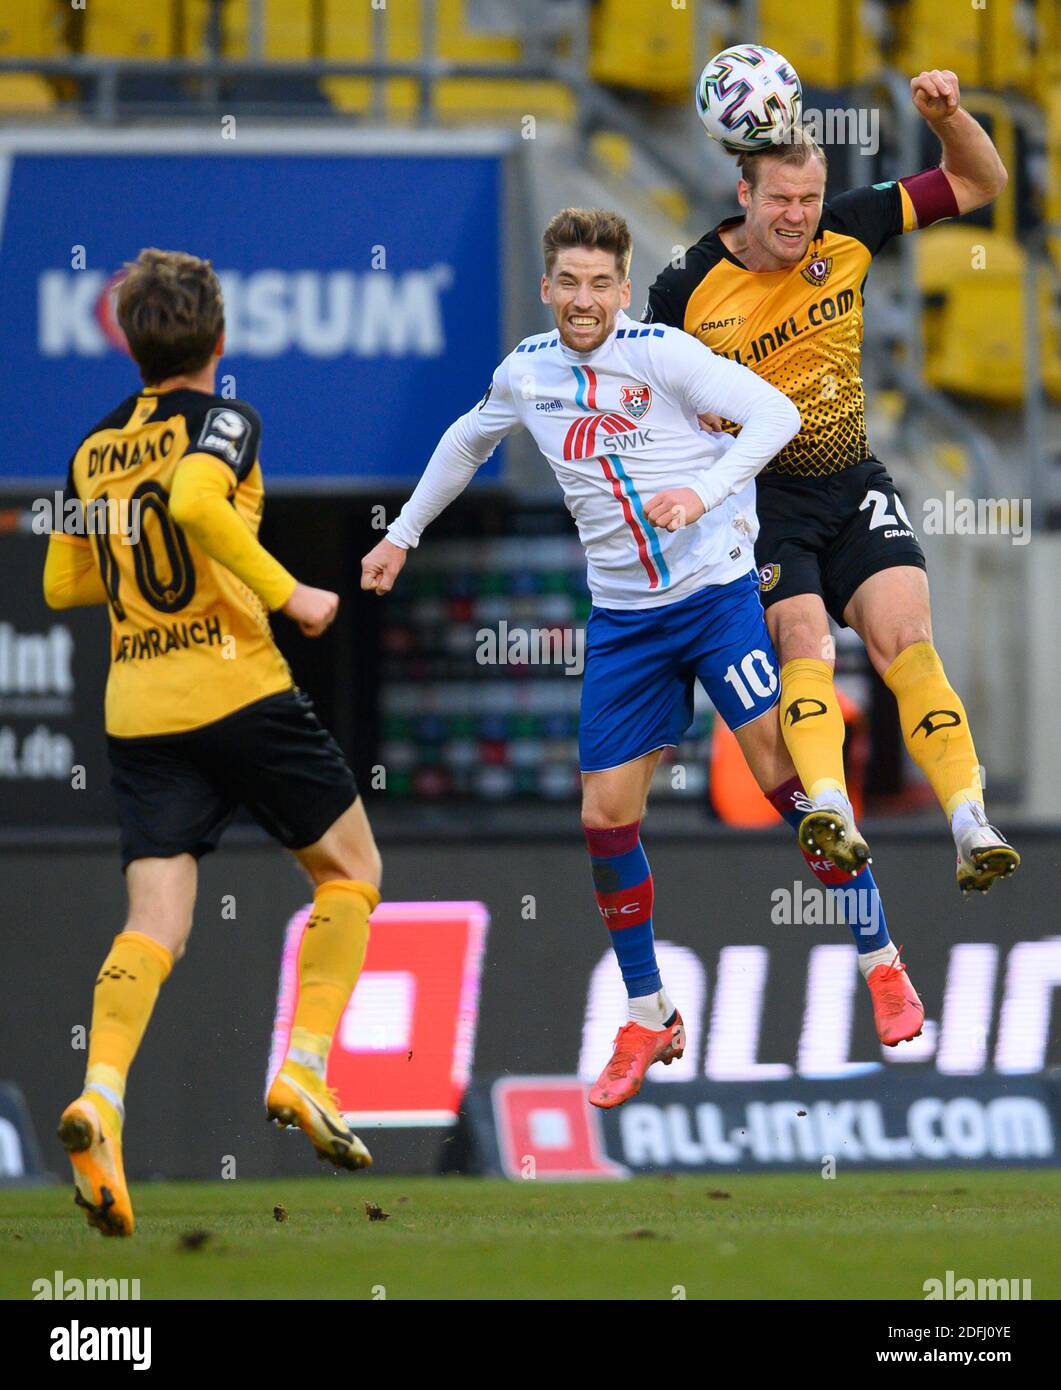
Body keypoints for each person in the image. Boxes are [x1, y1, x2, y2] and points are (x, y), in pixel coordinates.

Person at [362, 207, 923, 1113]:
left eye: (600, 285)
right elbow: (468, 438)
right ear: (546, 289)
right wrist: (403, 535)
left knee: (789, 785)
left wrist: (699, 492)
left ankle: (881, 963)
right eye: (568, 284)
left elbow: (773, 414)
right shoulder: (526, 372)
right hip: (625, 623)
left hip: (714, 599)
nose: (583, 301)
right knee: (603, 816)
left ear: (623, 291)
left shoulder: (661, 353)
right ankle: (647, 1009)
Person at [44, 248, 382, 1237]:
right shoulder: (226, 419)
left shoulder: (92, 444)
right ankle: (304, 1067)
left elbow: (66, 584)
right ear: (219, 342)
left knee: (154, 924)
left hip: (139, 708)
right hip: (236, 686)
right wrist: (291, 591)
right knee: (349, 871)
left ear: (129, 342)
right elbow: (193, 502)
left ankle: (100, 1097)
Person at [643, 69, 1018, 897]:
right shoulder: (682, 292)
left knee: (905, 643)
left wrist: (951, 118)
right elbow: (645, 406)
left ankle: (968, 819)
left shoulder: (851, 225)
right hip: (762, 499)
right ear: (742, 192)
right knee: (801, 641)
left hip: (851, 480)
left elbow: (980, 181)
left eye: (809, 197)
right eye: (780, 199)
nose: (797, 216)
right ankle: (828, 807)